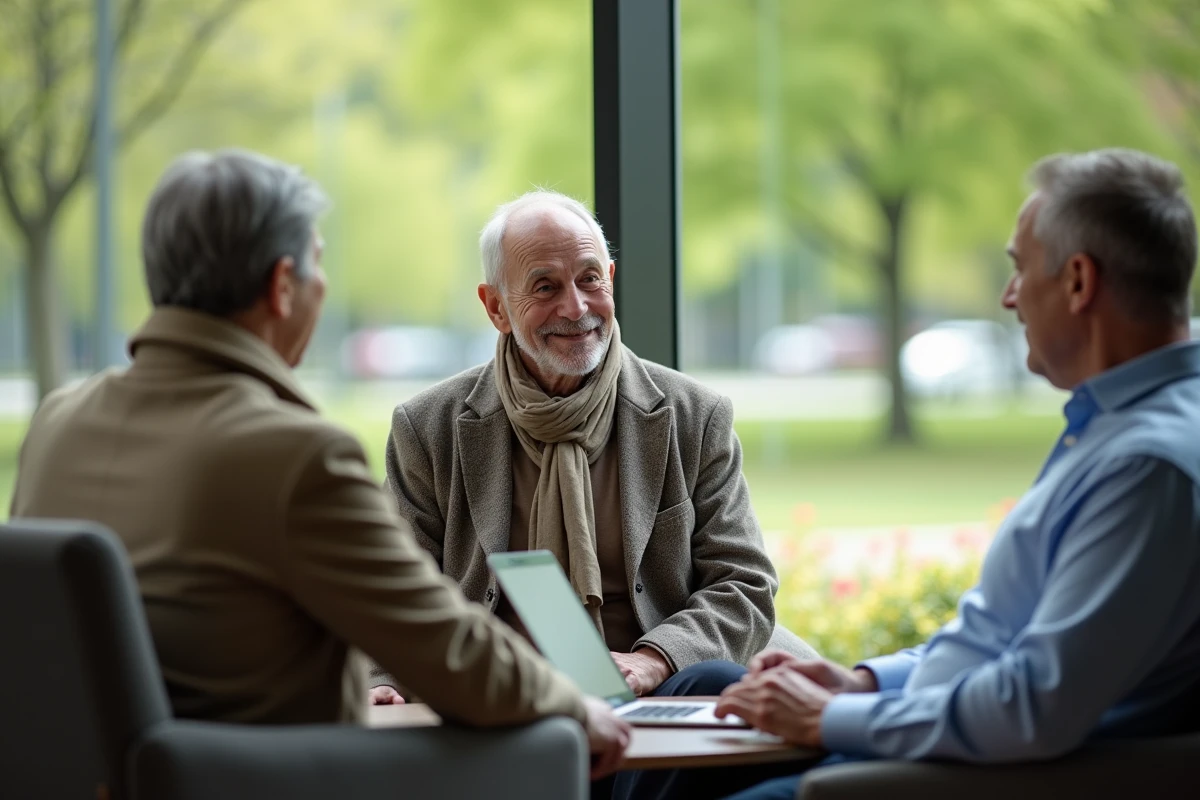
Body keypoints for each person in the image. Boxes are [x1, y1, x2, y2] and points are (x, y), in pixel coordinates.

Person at [8, 150, 629, 778]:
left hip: (96, 781)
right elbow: (443, 649)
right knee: (549, 745)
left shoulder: (57, 425)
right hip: (269, 782)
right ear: (282, 286)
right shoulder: (292, 455)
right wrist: (575, 709)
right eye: (319, 266)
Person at [649, 147, 1200, 800]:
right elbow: (1001, 636)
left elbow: (1033, 706)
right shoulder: (1119, 428)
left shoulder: (1147, 468)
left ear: (1079, 281)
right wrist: (863, 683)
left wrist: (831, 718)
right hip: (954, 740)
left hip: (967, 776)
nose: (1008, 296)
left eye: (1020, 269)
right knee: (707, 685)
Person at [373, 190, 816, 710]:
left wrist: (654, 660)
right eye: (545, 286)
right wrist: (382, 677)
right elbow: (394, 589)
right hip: (495, 690)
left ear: (610, 278)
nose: (576, 307)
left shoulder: (695, 416)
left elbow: (743, 583)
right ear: (496, 307)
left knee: (713, 685)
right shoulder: (428, 427)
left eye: (589, 279)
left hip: (662, 683)